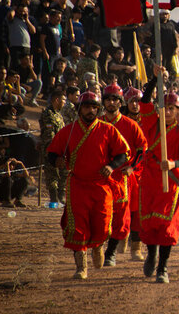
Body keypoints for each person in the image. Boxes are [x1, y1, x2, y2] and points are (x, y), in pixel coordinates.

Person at [46, 92, 130, 279]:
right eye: (86, 107)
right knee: (78, 226)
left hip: (101, 186)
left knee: (102, 225)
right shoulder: (68, 131)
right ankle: (80, 267)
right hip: (77, 185)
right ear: (79, 109)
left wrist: (111, 166)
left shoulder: (108, 130)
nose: (91, 110)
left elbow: (124, 154)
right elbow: (51, 152)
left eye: (94, 107)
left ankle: (98, 246)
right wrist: (57, 160)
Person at [138, 90, 179, 284]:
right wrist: (152, 80)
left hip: (170, 184)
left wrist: (174, 164)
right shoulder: (151, 125)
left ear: (178, 110)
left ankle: (162, 267)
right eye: (164, 109)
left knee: (167, 228)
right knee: (149, 225)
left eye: (171, 109)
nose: (167, 113)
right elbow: (144, 102)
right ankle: (151, 254)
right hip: (149, 181)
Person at [99, 83, 148, 267]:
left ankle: (132, 248)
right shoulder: (98, 123)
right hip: (101, 177)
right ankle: (104, 245)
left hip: (129, 176)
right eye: (108, 99)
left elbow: (143, 148)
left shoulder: (132, 125)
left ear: (120, 103)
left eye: (114, 99)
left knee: (134, 212)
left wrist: (132, 168)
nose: (111, 102)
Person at [39, 89, 67, 206]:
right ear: (56, 100)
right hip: (51, 150)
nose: (64, 103)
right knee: (52, 176)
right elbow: (49, 136)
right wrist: (54, 151)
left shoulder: (58, 114)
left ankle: (61, 197)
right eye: (63, 100)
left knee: (63, 174)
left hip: (61, 149)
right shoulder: (48, 115)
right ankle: (54, 199)